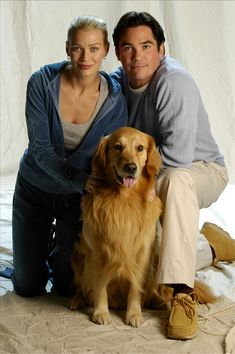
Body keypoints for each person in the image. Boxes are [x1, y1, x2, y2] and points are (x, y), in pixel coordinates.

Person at [111, 11, 235, 340]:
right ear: (117, 52)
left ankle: (181, 293)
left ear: (162, 49)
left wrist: (142, 187)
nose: (137, 56)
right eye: (128, 47)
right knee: (156, 260)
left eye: (146, 46)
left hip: (201, 169)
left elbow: (178, 158)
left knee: (178, 180)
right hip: (149, 171)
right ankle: (211, 248)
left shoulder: (174, 82)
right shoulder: (116, 82)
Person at [11, 15, 128, 298]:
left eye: (93, 49)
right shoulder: (41, 82)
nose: (85, 57)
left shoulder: (114, 100)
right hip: (34, 190)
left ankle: (55, 247)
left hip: (75, 200)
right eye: (77, 48)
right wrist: (80, 180)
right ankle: (35, 248)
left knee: (66, 287)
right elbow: (40, 150)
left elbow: (109, 156)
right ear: (67, 48)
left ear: (106, 51)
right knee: (28, 287)